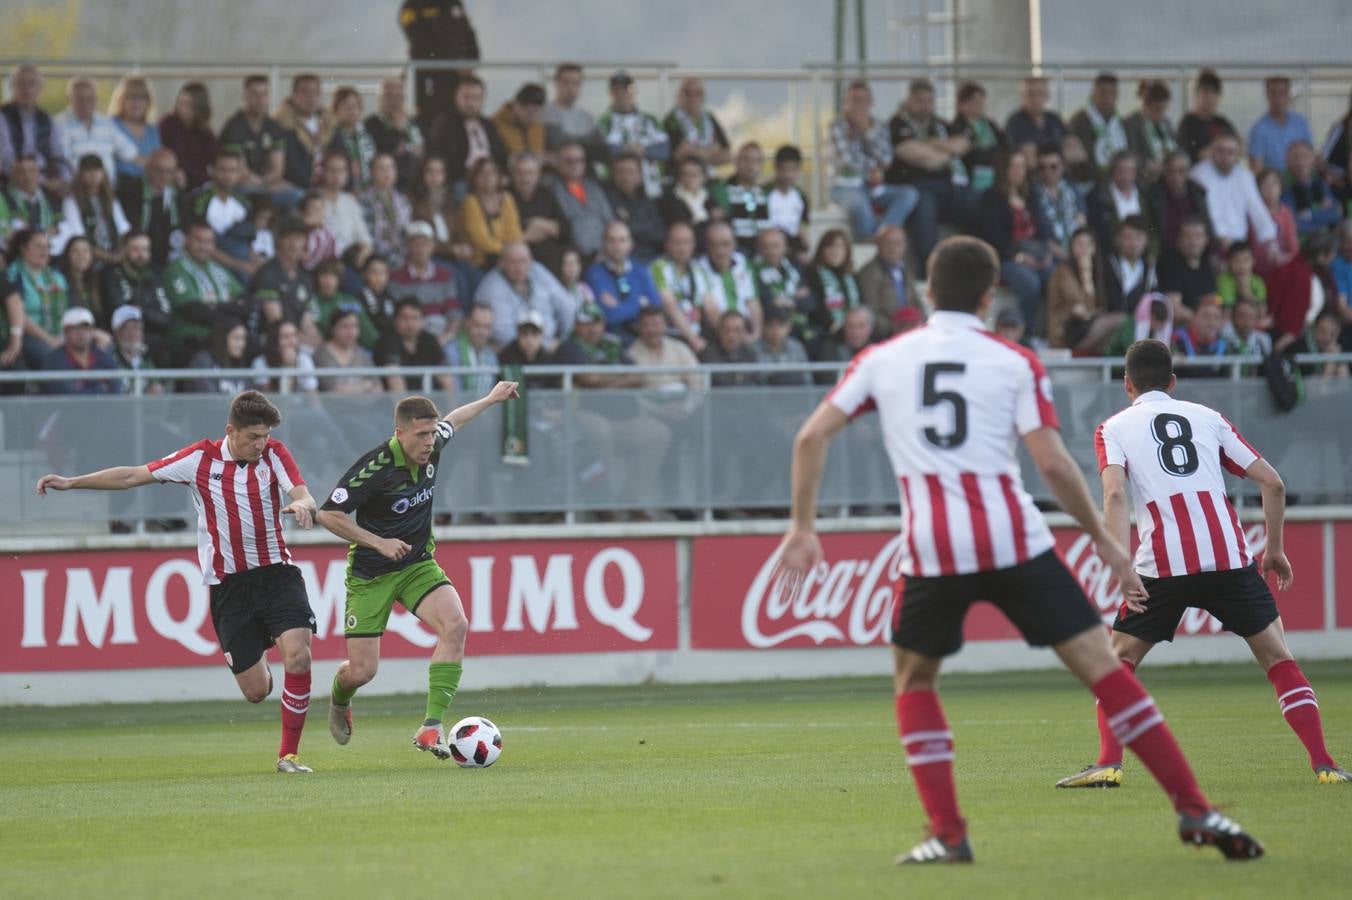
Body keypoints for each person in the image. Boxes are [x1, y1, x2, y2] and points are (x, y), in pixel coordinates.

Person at [778, 235, 1264, 865]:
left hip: (933, 547)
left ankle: (949, 834)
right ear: (988, 297)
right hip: (1014, 539)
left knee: (914, 680)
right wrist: (1105, 543)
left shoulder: (881, 359)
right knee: (1104, 668)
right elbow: (1055, 465)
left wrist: (802, 526)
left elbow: (811, 436)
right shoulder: (1014, 361)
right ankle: (1195, 807)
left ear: (927, 291)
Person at [1057, 339, 1348, 787]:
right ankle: (1324, 764)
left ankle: (1109, 763)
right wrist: (1274, 549)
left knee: (1117, 663)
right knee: (1279, 660)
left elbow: (1115, 494)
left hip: (1163, 566)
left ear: (1126, 384)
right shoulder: (1209, 418)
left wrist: (1120, 563)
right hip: (1229, 560)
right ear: (1173, 382)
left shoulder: (1112, 428)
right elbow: (1273, 483)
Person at [36, 390, 321, 772]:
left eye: (265, 436)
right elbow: (131, 476)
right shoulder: (198, 459)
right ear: (230, 431)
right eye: (253, 436)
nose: (260, 444)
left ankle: (288, 755)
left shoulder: (274, 454)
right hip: (229, 585)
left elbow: (301, 492)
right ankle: (264, 656)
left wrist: (303, 504)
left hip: (276, 574)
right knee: (256, 692)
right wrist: (72, 482)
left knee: (299, 655)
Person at [318, 381, 519, 756]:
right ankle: (339, 699)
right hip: (370, 575)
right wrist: (378, 542)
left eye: (432, 432)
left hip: (417, 565)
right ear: (400, 433)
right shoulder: (374, 468)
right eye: (422, 434)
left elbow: (456, 420)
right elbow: (327, 514)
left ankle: (431, 726)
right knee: (362, 672)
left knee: (456, 625)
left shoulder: (434, 446)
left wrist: (492, 399)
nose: (430, 441)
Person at [978, 150, 1055, 334]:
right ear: (1003, 169)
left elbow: (1044, 229)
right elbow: (993, 236)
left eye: (1022, 166)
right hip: (1006, 258)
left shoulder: (1031, 196)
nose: (1019, 170)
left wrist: (1047, 254)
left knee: (1056, 276)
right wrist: (1017, 256)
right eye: (1014, 166)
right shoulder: (991, 197)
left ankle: (1054, 333)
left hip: (1036, 255)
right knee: (1030, 282)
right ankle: (1027, 333)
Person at [830, 80, 917, 241]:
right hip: (845, 187)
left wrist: (866, 131)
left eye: (863, 100)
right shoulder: (837, 126)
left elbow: (886, 160)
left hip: (875, 187)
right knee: (859, 203)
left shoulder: (879, 126)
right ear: (846, 104)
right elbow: (848, 161)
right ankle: (873, 241)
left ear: (871, 102)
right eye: (854, 100)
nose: (859, 105)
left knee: (909, 194)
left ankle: (881, 236)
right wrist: (874, 165)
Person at [164, 221, 247, 360]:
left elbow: (245, 302)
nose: (203, 246)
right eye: (198, 240)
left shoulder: (218, 270)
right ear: (187, 241)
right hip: (192, 340)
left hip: (224, 338)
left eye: (208, 241)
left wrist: (214, 306)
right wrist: (228, 316)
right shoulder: (176, 269)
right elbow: (193, 310)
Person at [474, 240, 574, 349]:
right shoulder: (492, 287)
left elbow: (566, 305)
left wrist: (562, 338)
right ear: (501, 263)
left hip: (552, 343)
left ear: (531, 259)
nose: (519, 267)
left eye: (523, 261)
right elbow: (502, 332)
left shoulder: (537, 270)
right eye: (513, 262)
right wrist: (540, 346)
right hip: (514, 350)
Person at [399, 0, 479, 128]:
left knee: (455, 114)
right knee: (429, 114)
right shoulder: (412, 5)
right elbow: (417, 39)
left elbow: (467, 31)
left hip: (455, 76)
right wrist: (452, 62)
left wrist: (472, 60)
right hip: (428, 74)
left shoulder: (454, 3)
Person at [218, 75, 294, 208]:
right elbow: (240, 172)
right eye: (255, 94)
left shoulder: (273, 127)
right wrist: (266, 184)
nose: (260, 100)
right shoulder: (234, 127)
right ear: (245, 96)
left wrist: (263, 182)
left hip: (264, 185)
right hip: (240, 187)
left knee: (298, 196)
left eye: (264, 94)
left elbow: (278, 169)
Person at [55, 77, 142, 190]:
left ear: (96, 99)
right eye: (80, 99)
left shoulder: (107, 123)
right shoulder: (59, 124)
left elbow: (131, 154)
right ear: (69, 99)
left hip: (107, 194)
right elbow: (60, 162)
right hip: (75, 193)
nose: (85, 104)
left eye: (90, 99)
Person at [101, 230, 172, 365]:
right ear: (124, 250)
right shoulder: (111, 274)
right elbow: (119, 310)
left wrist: (142, 311)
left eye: (145, 250)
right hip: (119, 336)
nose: (141, 255)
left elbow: (165, 318)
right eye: (135, 249)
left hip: (151, 335)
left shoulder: (154, 275)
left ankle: (158, 386)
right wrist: (144, 313)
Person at [1045, 228, 1122, 352]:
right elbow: (1082, 307)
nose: (1085, 248)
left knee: (1122, 324)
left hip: (1087, 327)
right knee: (1118, 319)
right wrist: (1085, 273)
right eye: (1080, 244)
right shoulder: (1063, 271)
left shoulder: (1099, 271)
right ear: (1072, 247)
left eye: (1089, 244)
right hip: (1066, 330)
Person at [426, 75, 508, 189]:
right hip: (461, 180)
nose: (470, 103)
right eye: (466, 97)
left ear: (482, 99)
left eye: (476, 98)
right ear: (456, 97)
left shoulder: (488, 126)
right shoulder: (444, 125)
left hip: (490, 177)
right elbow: (443, 159)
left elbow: (500, 154)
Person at [596, 71, 669, 200]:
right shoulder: (604, 122)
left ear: (634, 92)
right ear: (611, 93)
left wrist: (644, 151)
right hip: (617, 188)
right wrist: (626, 151)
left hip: (652, 186)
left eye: (627, 89)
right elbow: (601, 150)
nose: (622, 94)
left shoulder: (650, 120)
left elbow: (665, 150)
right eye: (617, 90)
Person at [185, 149, 257, 277]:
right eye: (222, 169)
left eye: (232, 170)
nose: (227, 175)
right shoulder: (199, 201)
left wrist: (254, 265)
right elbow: (197, 242)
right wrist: (239, 265)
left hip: (240, 259)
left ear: (239, 173)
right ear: (212, 170)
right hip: (209, 260)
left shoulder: (244, 203)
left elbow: (249, 241)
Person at [585, 220, 662, 339]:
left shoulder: (641, 271)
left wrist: (620, 306)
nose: (617, 245)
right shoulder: (594, 274)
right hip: (614, 337)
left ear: (631, 244)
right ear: (603, 243)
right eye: (611, 240)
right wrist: (639, 302)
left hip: (645, 335)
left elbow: (655, 306)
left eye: (622, 240)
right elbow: (610, 315)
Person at [6, 228, 69, 369]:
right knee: (54, 357)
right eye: (38, 246)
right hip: (29, 337)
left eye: (47, 247)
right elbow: (19, 314)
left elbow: (68, 311)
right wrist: (49, 339)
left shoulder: (57, 276)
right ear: (23, 248)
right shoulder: (13, 273)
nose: (44, 251)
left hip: (61, 334)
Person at [0, 64, 70, 187]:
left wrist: (64, 180)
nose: (26, 89)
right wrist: (43, 182)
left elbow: (58, 155)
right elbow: (6, 161)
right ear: (12, 88)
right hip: (11, 182)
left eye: (31, 83)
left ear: (40, 89)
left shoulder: (47, 119)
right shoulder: (3, 117)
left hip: (46, 181)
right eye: (21, 84)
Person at [251, 216, 319, 340]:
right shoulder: (268, 274)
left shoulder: (305, 277)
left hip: (298, 341)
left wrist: (321, 346)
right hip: (271, 342)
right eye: (289, 238)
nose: (293, 244)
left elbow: (308, 323)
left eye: (298, 238)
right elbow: (277, 324)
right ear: (278, 241)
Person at [650, 221, 713, 351]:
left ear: (693, 245)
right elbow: (670, 306)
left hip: (696, 334)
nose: (682, 247)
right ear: (667, 245)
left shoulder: (697, 269)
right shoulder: (659, 267)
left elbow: (711, 307)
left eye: (686, 242)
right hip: (670, 335)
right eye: (677, 242)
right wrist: (693, 339)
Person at [55, 154, 130, 263]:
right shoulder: (71, 201)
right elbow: (78, 235)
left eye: (97, 170)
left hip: (114, 251)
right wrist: (108, 257)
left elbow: (123, 229)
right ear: (80, 174)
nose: (93, 175)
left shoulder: (110, 199)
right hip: (88, 256)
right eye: (88, 171)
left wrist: (121, 252)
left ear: (103, 173)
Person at [391, 221, 461, 338]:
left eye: (425, 244)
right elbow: (398, 316)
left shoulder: (444, 275)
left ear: (433, 246)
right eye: (416, 244)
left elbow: (453, 312)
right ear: (408, 246)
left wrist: (446, 336)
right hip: (410, 333)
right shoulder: (397, 277)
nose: (421, 249)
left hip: (442, 332)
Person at [117, 147, 182, 268]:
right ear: (148, 168)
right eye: (159, 170)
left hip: (168, 259)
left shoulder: (177, 194)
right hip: (138, 256)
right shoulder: (130, 190)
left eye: (169, 171)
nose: (164, 176)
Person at [550, 139, 614, 260]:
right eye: (569, 161)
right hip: (575, 258)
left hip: (606, 253)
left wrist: (609, 249)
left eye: (579, 160)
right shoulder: (551, 190)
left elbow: (610, 221)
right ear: (558, 163)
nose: (575, 165)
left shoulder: (594, 188)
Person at [508, 151, 568, 276]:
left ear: (538, 175)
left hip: (552, 260)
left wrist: (540, 224)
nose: (525, 178)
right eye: (520, 173)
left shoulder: (545, 194)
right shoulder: (505, 197)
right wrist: (525, 236)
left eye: (530, 173)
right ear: (512, 174)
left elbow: (566, 229)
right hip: (519, 262)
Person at [697, 221, 761, 340]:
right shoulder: (699, 268)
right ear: (707, 246)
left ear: (734, 244)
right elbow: (710, 310)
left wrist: (756, 335)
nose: (720, 251)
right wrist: (733, 335)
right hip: (717, 333)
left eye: (725, 244)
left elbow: (753, 302)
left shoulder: (743, 263)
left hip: (744, 328)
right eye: (714, 245)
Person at [374, 297, 451, 392]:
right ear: (395, 320)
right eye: (404, 318)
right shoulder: (387, 340)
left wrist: (454, 406)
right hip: (392, 404)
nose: (410, 324)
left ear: (422, 321)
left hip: (426, 401)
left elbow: (446, 377)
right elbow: (395, 382)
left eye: (415, 318)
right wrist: (405, 407)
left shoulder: (430, 340)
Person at [1144, 151, 1213, 255]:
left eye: (1181, 171)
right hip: (1166, 253)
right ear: (1164, 172)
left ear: (1188, 172)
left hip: (1197, 252)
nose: (1176, 176)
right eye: (1171, 171)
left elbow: (1207, 224)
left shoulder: (1198, 192)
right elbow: (1152, 229)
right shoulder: (1153, 195)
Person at [39, 305, 120, 394]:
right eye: (75, 329)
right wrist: (100, 389)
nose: (81, 333)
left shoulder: (103, 357)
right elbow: (68, 396)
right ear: (65, 332)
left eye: (85, 328)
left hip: (104, 407)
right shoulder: (52, 361)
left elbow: (116, 391)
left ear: (92, 331)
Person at [856, 225, 920, 336]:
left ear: (905, 246)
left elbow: (917, 302)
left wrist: (918, 323)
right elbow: (871, 311)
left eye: (898, 243)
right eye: (888, 243)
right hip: (885, 335)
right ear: (878, 244)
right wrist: (896, 329)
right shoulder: (868, 272)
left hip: (910, 332)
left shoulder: (905, 269)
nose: (893, 248)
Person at [273, 73, 334, 190]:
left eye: (315, 92)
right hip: (298, 187)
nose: (311, 97)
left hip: (329, 186)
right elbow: (291, 167)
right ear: (294, 95)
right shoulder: (283, 124)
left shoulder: (329, 123)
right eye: (305, 92)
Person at [803, 228, 859, 354]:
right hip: (826, 333)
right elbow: (815, 307)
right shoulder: (812, 273)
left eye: (840, 247)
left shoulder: (853, 276)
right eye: (831, 247)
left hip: (855, 332)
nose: (836, 252)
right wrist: (834, 326)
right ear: (822, 250)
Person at [459, 157, 521, 270]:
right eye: (482, 173)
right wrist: (508, 251)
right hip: (483, 259)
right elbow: (481, 240)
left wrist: (513, 251)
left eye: (492, 172)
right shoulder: (470, 202)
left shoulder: (507, 198)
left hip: (508, 255)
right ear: (474, 178)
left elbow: (514, 231)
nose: (488, 177)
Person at [316, 148, 374, 267]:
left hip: (350, 261)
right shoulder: (314, 199)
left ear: (347, 174)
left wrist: (362, 256)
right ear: (323, 172)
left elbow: (364, 238)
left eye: (341, 170)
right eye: (331, 170)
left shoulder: (350, 201)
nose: (336, 175)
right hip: (324, 262)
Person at [365, 76, 425, 189]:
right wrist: (398, 131)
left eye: (398, 97)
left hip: (416, 185)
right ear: (379, 99)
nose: (394, 102)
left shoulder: (413, 123)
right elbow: (373, 157)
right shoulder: (370, 124)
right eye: (389, 96)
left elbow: (421, 151)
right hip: (385, 185)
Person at [605, 152, 665, 261]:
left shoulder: (648, 199)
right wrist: (646, 225)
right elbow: (616, 230)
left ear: (640, 175)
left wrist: (630, 224)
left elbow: (660, 234)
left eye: (631, 171)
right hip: (624, 260)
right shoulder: (607, 198)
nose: (626, 176)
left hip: (654, 257)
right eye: (620, 172)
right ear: (613, 174)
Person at [1068, 72, 1128, 179]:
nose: (1108, 98)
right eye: (1103, 93)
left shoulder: (1121, 122)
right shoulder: (1080, 121)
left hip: (1118, 179)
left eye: (1112, 94)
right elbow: (1080, 161)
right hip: (1088, 180)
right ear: (1093, 93)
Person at [357, 153, 412, 267]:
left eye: (391, 167)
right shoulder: (364, 199)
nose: (387, 172)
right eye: (381, 168)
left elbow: (407, 231)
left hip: (403, 255)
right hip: (377, 257)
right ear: (372, 172)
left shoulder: (402, 199)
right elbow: (367, 235)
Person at [663, 77, 730, 171]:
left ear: (703, 96)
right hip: (681, 177)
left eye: (698, 93)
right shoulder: (672, 120)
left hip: (708, 177)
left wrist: (693, 152)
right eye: (688, 93)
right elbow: (678, 154)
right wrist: (712, 151)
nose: (693, 97)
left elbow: (727, 155)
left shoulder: (709, 118)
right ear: (680, 95)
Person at [159, 82, 217, 190]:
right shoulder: (168, 124)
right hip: (178, 181)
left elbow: (215, 157)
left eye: (189, 105)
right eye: (181, 103)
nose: (183, 109)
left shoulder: (204, 131)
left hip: (201, 183)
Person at [1248, 76, 1313, 173]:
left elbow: (1310, 155)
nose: (1277, 99)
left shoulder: (1300, 122)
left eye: (1282, 93)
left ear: (1289, 95)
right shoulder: (1259, 129)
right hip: (1274, 184)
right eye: (1273, 93)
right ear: (1267, 96)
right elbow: (1256, 167)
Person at [657, 154, 723, 249]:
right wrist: (711, 220)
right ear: (679, 176)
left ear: (703, 177)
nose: (690, 178)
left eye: (695, 174)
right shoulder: (670, 200)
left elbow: (722, 220)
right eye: (685, 174)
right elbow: (684, 226)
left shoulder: (709, 197)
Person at [1158, 217, 1218, 321]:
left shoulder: (1207, 265)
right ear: (1179, 240)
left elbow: (1213, 301)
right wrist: (1202, 321)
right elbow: (1175, 309)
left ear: (1206, 240)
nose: (1193, 242)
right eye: (1188, 236)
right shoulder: (1169, 264)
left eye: (1198, 236)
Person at [1030, 145, 1086, 257]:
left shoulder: (1073, 189)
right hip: (1051, 253)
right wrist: (1066, 256)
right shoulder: (1032, 195)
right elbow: (1043, 234)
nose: (1048, 171)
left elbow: (1082, 221)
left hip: (1078, 247)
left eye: (1053, 167)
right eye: (1042, 167)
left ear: (1063, 166)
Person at [542, 63, 605, 160]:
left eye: (575, 83)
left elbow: (601, 149)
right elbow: (556, 145)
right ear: (556, 83)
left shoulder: (588, 117)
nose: (571, 88)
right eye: (566, 82)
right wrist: (586, 142)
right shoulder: (544, 113)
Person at [313, 308, 382, 394]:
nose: (351, 332)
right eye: (345, 326)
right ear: (333, 329)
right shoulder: (322, 354)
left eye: (355, 326)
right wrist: (366, 386)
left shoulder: (362, 353)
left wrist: (351, 390)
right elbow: (333, 390)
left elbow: (378, 388)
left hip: (364, 407)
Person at [1087, 151, 1143, 255]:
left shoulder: (1143, 194)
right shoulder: (1098, 196)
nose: (1126, 176)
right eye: (1122, 170)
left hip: (1142, 254)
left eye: (1130, 171)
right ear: (1113, 171)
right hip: (1111, 254)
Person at [1123, 80, 1178, 182]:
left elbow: (1176, 148)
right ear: (1146, 105)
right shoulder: (1132, 123)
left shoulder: (1166, 123)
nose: (1161, 114)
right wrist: (1146, 164)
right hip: (1144, 179)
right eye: (1158, 109)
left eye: (1164, 109)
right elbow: (1130, 153)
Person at [1282, 141, 1341, 236]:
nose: (1300, 162)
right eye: (1295, 158)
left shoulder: (1320, 182)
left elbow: (1335, 214)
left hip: (1325, 237)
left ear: (1313, 160)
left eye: (1305, 157)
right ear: (1287, 161)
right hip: (1303, 239)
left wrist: (1309, 214)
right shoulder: (1283, 186)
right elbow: (1293, 222)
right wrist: (1320, 214)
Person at [1178, 69, 1235, 164]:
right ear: (1196, 94)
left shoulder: (1222, 122)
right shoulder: (1187, 124)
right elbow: (1186, 156)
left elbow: (1239, 145)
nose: (1210, 98)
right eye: (1205, 92)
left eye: (1214, 93)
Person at [325, 87, 377, 192]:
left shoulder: (366, 134)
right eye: (346, 106)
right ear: (335, 110)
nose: (351, 110)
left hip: (367, 189)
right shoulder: (330, 134)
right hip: (340, 189)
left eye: (355, 106)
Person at [1104, 216, 1158, 316]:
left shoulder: (1149, 268)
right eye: (1128, 237)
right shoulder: (1109, 264)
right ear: (1119, 239)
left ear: (1146, 240)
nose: (1133, 243)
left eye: (1139, 237)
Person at [1, 154, 62, 241]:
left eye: (32, 171)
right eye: (21, 172)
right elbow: (5, 233)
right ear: (12, 175)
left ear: (39, 173)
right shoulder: (3, 198)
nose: (27, 176)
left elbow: (62, 228)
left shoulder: (52, 196)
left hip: (52, 249)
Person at [1005, 76, 1067, 160]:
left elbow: (1070, 145)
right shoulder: (1015, 122)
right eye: (1030, 94)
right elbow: (1024, 155)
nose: (1035, 99)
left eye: (1040, 93)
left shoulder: (1055, 119)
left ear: (1047, 95)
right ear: (1022, 96)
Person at [252, 318, 318, 394]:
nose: (292, 341)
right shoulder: (260, 363)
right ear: (274, 341)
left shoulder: (304, 359)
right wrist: (289, 367)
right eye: (285, 337)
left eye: (294, 336)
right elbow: (269, 401)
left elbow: (313, 398)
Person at [766, 145, 810, 257]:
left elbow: (802, 229)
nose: (788, 175)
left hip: (794, 248)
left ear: (799, 170)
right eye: (784, 169)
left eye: (792, 169)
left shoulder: (801, 197)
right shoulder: (764, 193)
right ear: (776, 168)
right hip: (769, 247)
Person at [751, 305, 810, 386]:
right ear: (764, 327)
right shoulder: (753, 349)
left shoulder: (797, 347)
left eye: (781, 325)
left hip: (794, 394)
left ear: (789, 327)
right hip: (765, 395)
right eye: (771, 325)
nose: (776, 330)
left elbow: (807, 379)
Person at [490, 83, 546, 158]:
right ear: (515, 103)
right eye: (528, 112)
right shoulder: (494, 124)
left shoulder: (537, 127)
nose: (530, 118)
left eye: (535, 113)